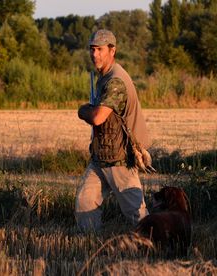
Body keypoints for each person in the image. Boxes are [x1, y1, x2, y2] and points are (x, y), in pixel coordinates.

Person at [75, 29, 150, 232]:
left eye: (99, 49)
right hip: (101, 156)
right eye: (92, 49)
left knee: (138, 215)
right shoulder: (105, 77)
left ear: (112, 50)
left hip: (120, 158)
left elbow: (98, 117)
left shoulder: (116, 81)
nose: (94, 54)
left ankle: (157, 246)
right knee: (85, 202)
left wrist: (82, 111)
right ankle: (90, 248)